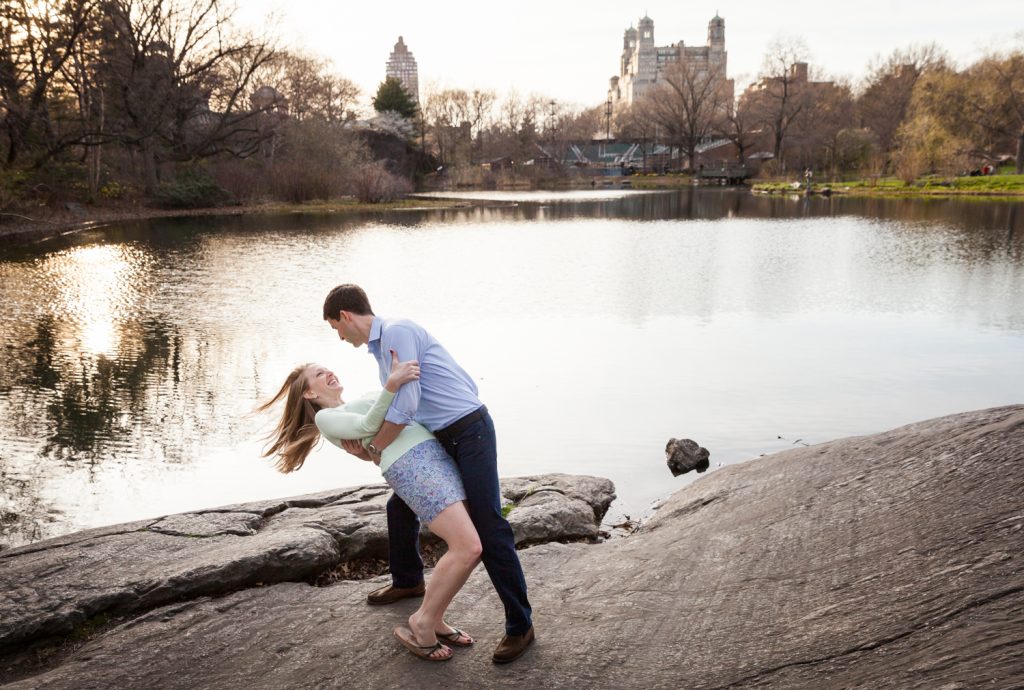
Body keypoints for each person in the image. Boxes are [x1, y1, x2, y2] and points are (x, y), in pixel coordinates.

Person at [322, 284, 535, 664]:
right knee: (399, 506)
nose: (339, 337)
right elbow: (446, 386)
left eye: (335, 328)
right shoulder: (382, 349)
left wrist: (377, 449)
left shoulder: (397, 331)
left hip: (469, 432)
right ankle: (408, 582)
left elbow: (406, 403)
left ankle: (520, 626)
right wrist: (373, 446)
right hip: (444, 435)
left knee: (489, 525)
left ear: (345, 316)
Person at [259, 354, 482, 662]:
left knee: (473, 546)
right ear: (309, 393)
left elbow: (402, 411)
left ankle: (435, 617)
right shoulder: (327, 418)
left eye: (327, 368)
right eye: (319, 373)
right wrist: (391, 385)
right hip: (412, 466)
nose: (329, 372)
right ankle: (422, 621)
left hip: (434, 457)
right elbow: (370, 424)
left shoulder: (361, 399)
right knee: (468, 547)